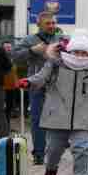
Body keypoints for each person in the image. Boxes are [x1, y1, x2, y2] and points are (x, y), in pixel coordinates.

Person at [18, 29, 88, 175]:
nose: (80, 56)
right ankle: (50, 172)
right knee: (53, 150)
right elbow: (41, 77)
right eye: (76, 52)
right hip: (56, 114)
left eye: (84, 52)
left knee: (82, 148)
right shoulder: (55, 64)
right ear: (70, 50)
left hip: (83, 116)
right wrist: (28, 82)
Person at [12, 11, 63, 165]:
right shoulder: (29, 40)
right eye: (48, 23)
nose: (52, 26)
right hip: (37, 85)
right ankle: (39, 154)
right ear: (39, 25)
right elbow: (14, 55)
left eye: (54, 23)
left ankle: (56, 151)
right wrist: (32, 51)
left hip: (59, 85)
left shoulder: (60, 39)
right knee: (38, 120)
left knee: (59, 120)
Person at [2, 41, 19, 127]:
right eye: (6, 47)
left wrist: (16, 82)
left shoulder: (13, 58)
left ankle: (7, 126)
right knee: (1, 108)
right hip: (3, 87)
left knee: (9, 108)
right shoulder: (0, 58)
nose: (8, 49)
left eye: (9, 47)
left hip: (12, 87)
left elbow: (15, 72)